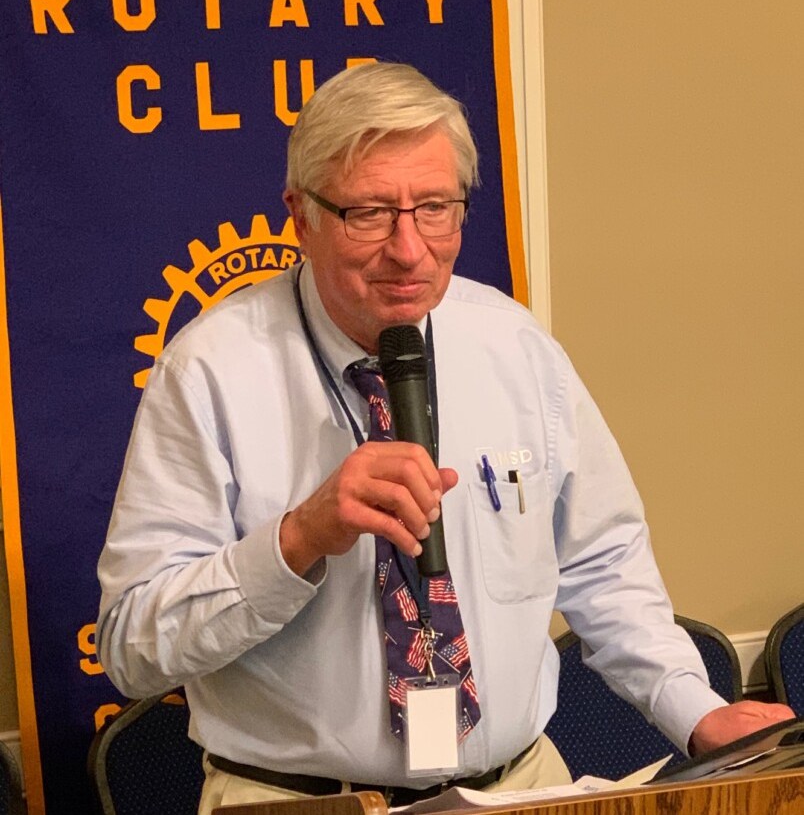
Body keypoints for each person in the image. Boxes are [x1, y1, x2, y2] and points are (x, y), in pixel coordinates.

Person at [97, 62, 793, 814]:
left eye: (435, 208)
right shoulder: (209, 372)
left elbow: (604, 563)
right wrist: (299, 539)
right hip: (299, 800)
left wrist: (697, 711)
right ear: (301, 217)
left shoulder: (515, 347)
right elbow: (133, 648)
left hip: (519, 788)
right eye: (370, 213)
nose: (409, 249)